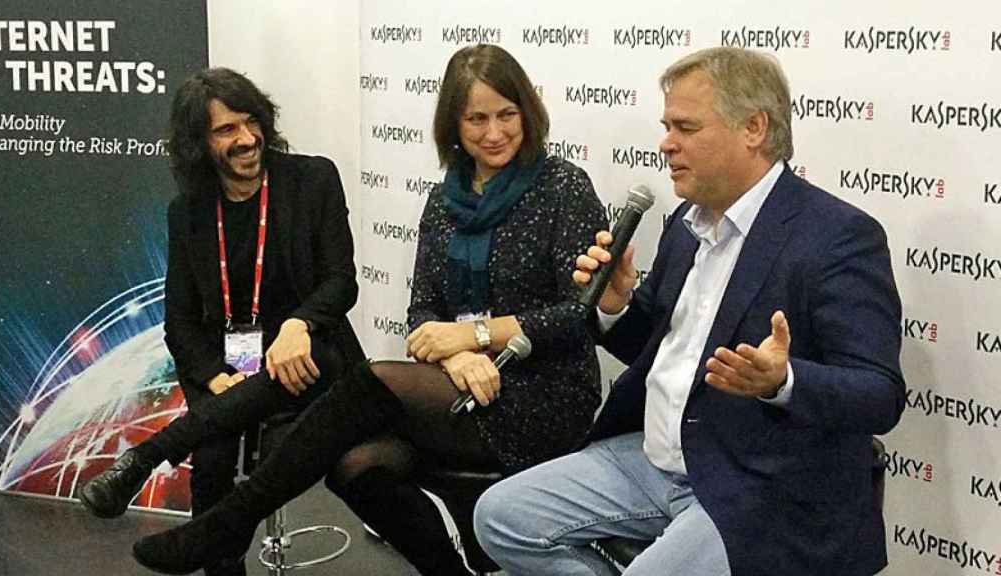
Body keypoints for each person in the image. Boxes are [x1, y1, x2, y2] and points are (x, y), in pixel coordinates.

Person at [103, 44, 606, 576]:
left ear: (528, 112)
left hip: (542, 393)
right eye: (476, 118)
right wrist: (456, 357)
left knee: (371, 379)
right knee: (354, 467)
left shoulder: (563, 187)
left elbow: (579, 315)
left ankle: (219, 522)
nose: (494, 132)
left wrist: (475, 337)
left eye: (507, 114)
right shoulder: (444, 201)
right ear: (453, 125)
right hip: (462, 386)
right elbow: (423, 312)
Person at [474, 47, 906, 576]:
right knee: (500, 517)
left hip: (760, 479)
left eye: (686, 127)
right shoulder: (686, 221)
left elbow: (879, 395)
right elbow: (655, 345)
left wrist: (782, 380)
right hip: (654, 457)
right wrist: (615, 307)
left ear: (753, 127)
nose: (667, 143)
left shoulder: (837, 237)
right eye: (667, 126)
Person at [77, 68, 363, 576]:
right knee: (211, 459)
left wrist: (299, 324)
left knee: (297, 366)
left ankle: (144, 458)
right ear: (199, 144)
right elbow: (180, 322)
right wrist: (214, 377)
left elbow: (341, 281)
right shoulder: (187, 212)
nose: (246, 139)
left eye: (251, 122)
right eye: (226, 130)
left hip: (311, 356)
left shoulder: (312, 179)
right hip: (227, 368)